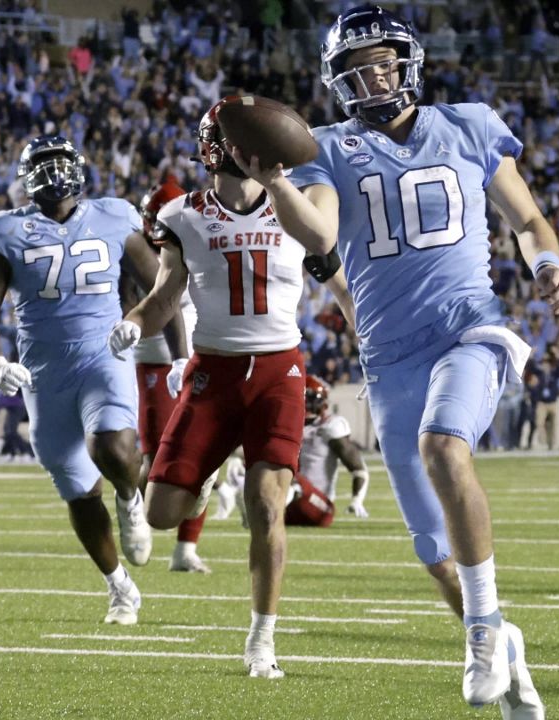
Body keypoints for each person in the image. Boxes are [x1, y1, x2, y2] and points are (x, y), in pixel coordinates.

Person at [242, 6, 559, 714]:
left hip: (468, 329)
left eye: (381, 63)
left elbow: (528, 219)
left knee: (445, 446)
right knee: (431, 547)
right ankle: (505, 650)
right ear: (338, 81)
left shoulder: (470, 125)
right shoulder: (326, 148)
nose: (371, 78)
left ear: (408, 61)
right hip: (390, 357)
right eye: (355, 70)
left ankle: (483, 630)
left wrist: (545, 264)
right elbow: (320, 231)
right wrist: (274, 181)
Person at [109, 99, 355, 679]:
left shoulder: (303, 201)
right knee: (162, 513)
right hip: (212, 372)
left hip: (278, 370)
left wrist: (366, 332)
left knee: (267, 506)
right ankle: (203, 480)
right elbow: (166, 297)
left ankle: (261, 641)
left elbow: (330, 259)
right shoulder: (183, 214)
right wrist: (132, 324)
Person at [0, 135, 155, 625]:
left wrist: (146, 329)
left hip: (103, 353)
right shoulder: (5, 230)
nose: (53, 175)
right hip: (42, 371)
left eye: (59, 163)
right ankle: (119, 587)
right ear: (27, 177)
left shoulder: (115, 215)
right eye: (43, 165)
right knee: (76, 488)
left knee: (110, 445)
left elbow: (160, 286)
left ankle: (132, 496)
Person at [128, 178, 214, 574]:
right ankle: (137, 510)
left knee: (208, 461)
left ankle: (185, 548)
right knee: (153, 458)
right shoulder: (134, 253)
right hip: (153, 360)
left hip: (200, 357)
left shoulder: (202, 239)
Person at [289, 376, 371, 526]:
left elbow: (359, 469)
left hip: (320, 507)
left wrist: (357, 500)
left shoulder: (330, 426)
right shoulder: (287, 425)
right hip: (290, 506)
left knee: (290, 479)